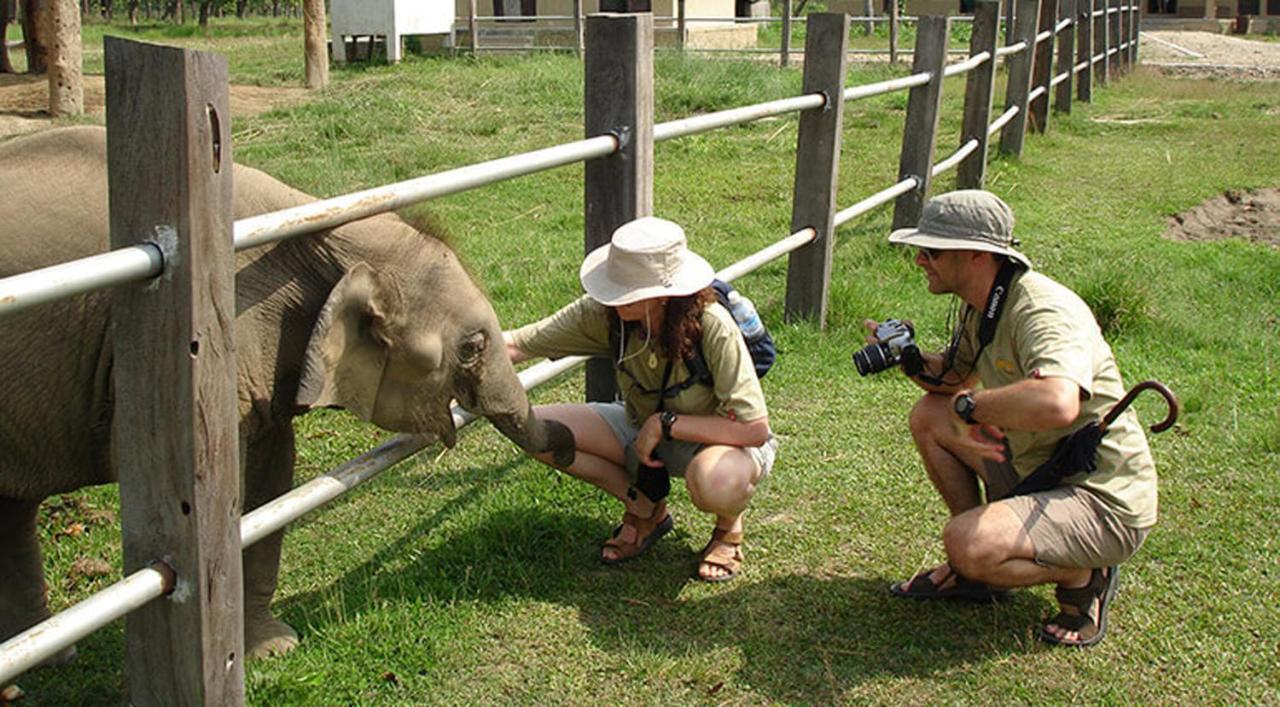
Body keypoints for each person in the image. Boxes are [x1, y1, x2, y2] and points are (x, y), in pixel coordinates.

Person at [873, 190, 1157, 647]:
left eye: (932, 251)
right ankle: (979, 569)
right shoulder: (982, 302)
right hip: (1041, 469)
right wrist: (906, 357)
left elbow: (1057, 402)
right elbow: (953, 377)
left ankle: (1086, 573)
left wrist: (974, 407)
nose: (920, 261)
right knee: (930, 415)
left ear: (976, 254)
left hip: (1098, 496)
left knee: (965, 543)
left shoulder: (1043, 311)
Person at [505, 216, 778, 582]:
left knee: (717, 482)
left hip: (716, 441)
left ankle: (729, 528)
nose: (613, 299)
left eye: (627, 292)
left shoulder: (713, 324)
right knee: (531, 430)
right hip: (635, 424)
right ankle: (645, 509)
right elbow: (517, 344)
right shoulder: (604, 313)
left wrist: (665, 425)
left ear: (664, 295)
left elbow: (753, 428)